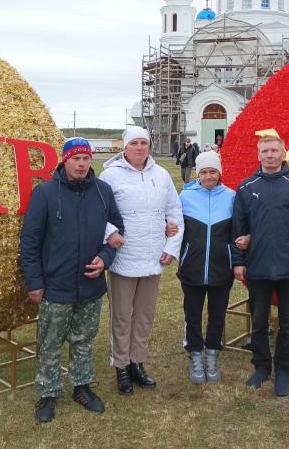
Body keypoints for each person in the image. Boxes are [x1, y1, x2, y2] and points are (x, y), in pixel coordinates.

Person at [19, 138, 125, 424]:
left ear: (91, 160)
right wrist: (34, 282)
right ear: (65, 160)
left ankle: (81, 387)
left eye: (85, 158)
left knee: (83, 340)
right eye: (75, 158)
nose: (81, 164)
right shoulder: (45, 193)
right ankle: (49, 392)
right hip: (55, 285)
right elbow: (30, 241)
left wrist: (105, 258)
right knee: (50, 342)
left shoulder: (102, 192)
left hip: (90, 284)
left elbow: (116, 231)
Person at [231, 134, 289, 397]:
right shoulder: (246, 187)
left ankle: (283, 370)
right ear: (258, 155)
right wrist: (238, 261)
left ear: (282, 153)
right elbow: (239, 227)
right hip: (258, 267)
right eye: (265, 151)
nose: (269, 155)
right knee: (258, 323)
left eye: (274, 150)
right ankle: (261, 368)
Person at [99, 127, 184, 395]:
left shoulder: (161, 175)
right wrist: (109, 233)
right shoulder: (110, 176)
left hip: (152, 258)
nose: (139, 148)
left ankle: (138, 362)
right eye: (134, 143)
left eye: (143, 143)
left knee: (145, 316)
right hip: (124, 258)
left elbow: (174, 214)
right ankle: (121, 367)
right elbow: (98, 211)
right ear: (124, 147)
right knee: (122, 316)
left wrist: (171, 247)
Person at [178, 150, 236, 384]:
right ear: (198, 173)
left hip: (222, 268)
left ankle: (212, 355)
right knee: (192, 315)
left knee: (217, 315)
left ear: (219, 173)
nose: (209, 176)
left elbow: (239, 229)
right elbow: (173, 224)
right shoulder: (186, 197)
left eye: (213, 171)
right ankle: (194, 354)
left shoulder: (231, 196)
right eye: (204, 172)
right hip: (192, 267)